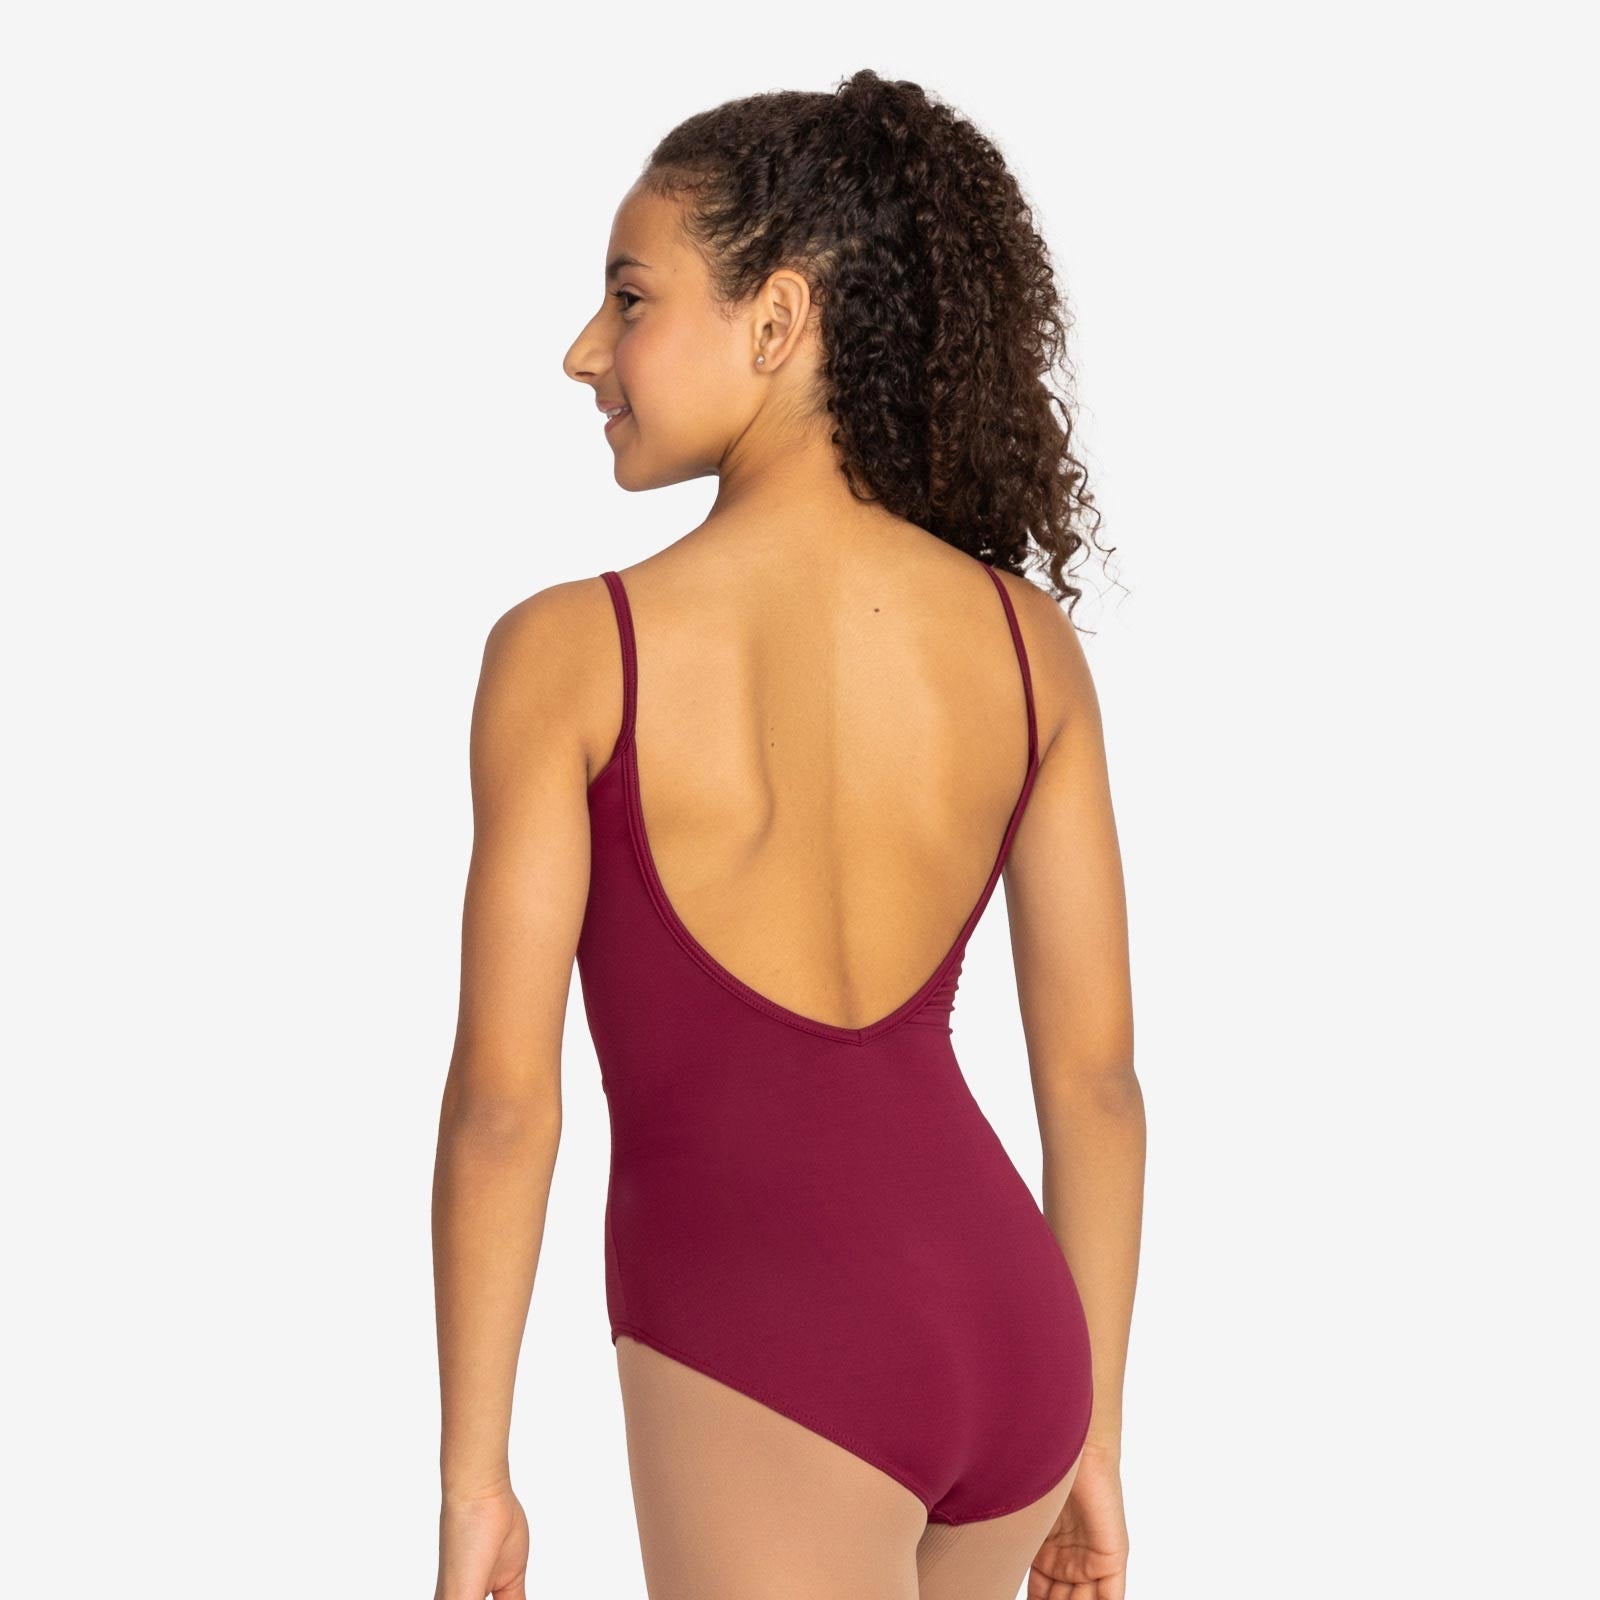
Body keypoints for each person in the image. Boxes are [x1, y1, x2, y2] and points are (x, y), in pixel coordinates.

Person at [433, 69, 1143, 1600]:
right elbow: (1096, 1086)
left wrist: (475, 1477)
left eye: (630, 299)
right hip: (1017, 1341)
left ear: (778, 321)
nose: (584, 350)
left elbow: (502, 1104)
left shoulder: (570, 655)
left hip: (774, 1345)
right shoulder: (1027, 650)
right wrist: (1094, 1433)